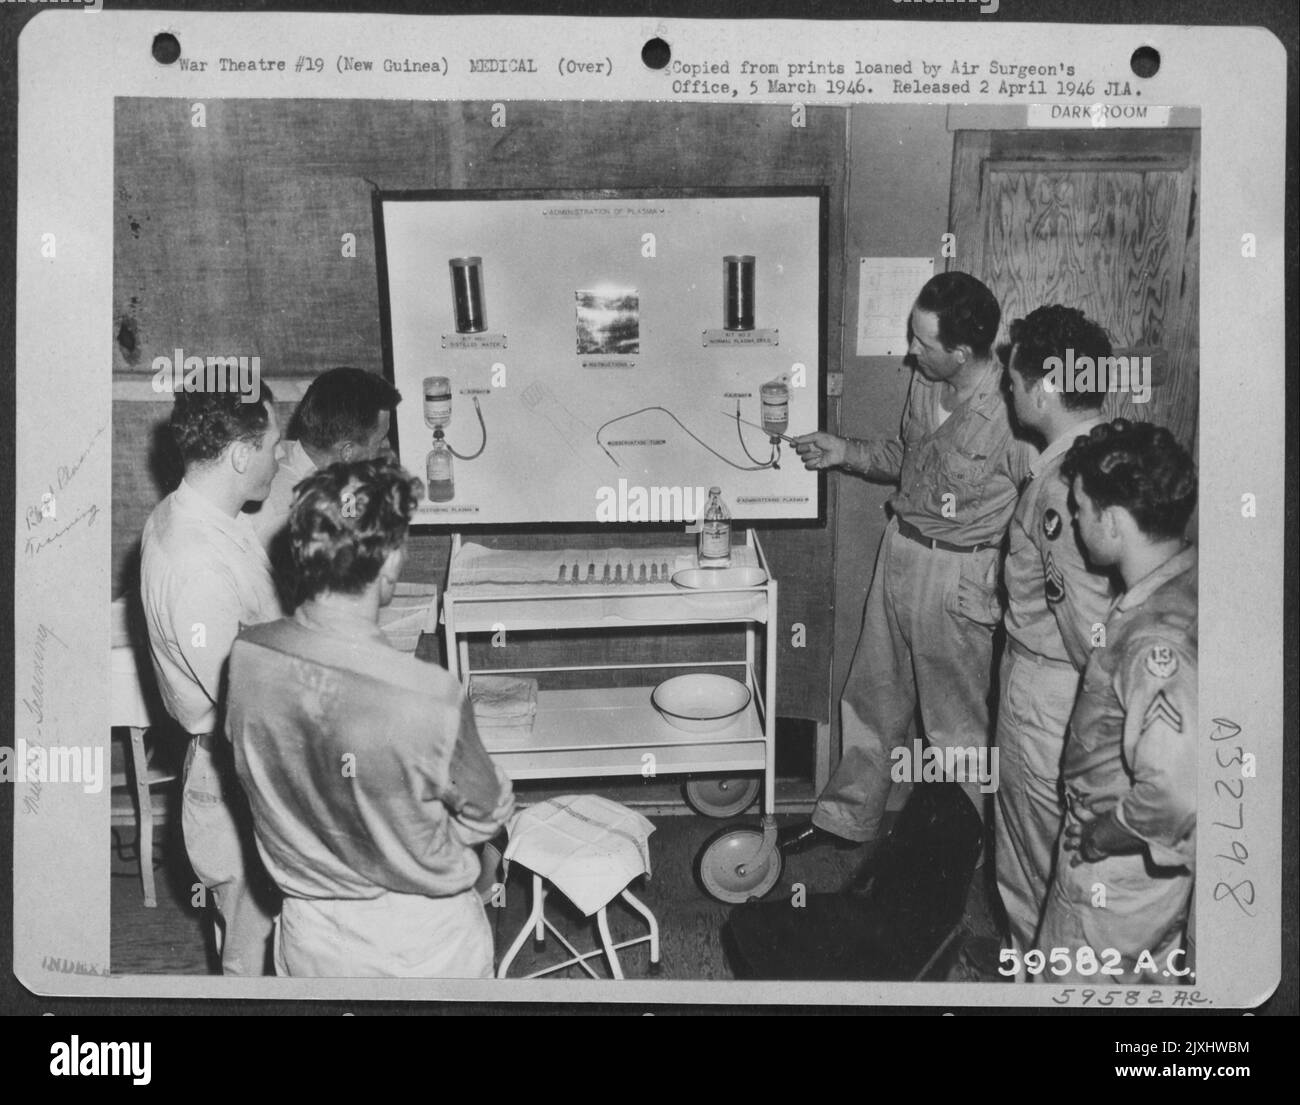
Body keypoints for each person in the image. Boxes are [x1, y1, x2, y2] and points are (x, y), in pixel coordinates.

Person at [782, 271, 1034, 877]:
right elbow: (908, 459)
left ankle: (952, 859)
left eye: (922, 342)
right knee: (872, 697)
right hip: (899, 550)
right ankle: (848, 820)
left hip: (961, 577)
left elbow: (1039, 507)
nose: (910, 352)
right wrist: (846, 452)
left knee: (955, 733)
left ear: (963, 352)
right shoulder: (926, 383)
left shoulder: (1012, 413)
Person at [227, 458, 514, 977]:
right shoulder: (433, 695)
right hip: (422, 945)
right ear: (388, 565)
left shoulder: (246, 656)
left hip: (309, 935)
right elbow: (485, 818)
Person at [1036, 420, 1197, 984]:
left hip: (1117, 871)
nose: (1075, 522)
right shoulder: (1184, 579)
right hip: (1147, 881)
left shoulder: (1154, 639)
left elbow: (1176, 792)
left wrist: (1104, 833)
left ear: (1112, 520)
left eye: (1080, 509)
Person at [139, 386, 284, 975]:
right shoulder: (195, 561)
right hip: (238, 780)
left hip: (238, 769)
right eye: (275, 445)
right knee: (255, 966)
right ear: (241, 456)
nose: (281, 457)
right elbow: (249, 703)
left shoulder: (203, 514)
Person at [994, 306, 1118, 954]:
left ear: (1043, 387)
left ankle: (1042, 985)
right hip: (1063, 689)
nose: (1009, 394)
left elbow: (1086, 627)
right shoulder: (1108, 452)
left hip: (1048, 693)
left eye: (1013, 381)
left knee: (1033, 869)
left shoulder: (1059, 487)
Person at [243, 367, 402, 596]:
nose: (385, 453)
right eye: (379, 443)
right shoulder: (283, 509)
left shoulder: (327, 473)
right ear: (347, 452)